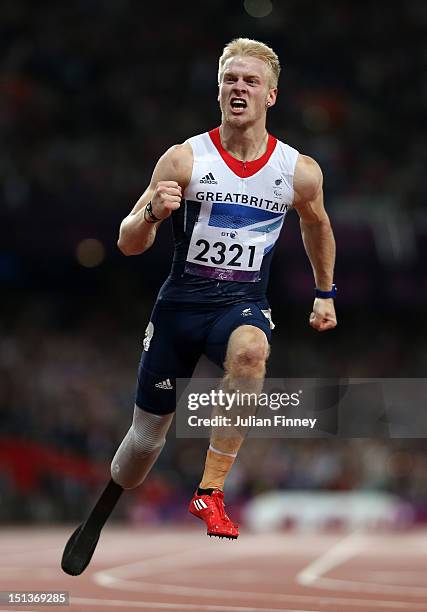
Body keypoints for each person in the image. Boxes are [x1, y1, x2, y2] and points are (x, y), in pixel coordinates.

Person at [61, 37, 337, 575]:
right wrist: (151, 217)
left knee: (252, 352)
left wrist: (324, 292)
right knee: (144, 444)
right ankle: (102, 510)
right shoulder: (186, 158)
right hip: (179, 311)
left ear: (271, 95)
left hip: (241, 303)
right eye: (231, 79)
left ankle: (210, 489)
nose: (239, 88)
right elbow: (125, 241)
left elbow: (318, 224)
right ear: (218, 89)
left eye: (250, 81)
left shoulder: (296, 170)